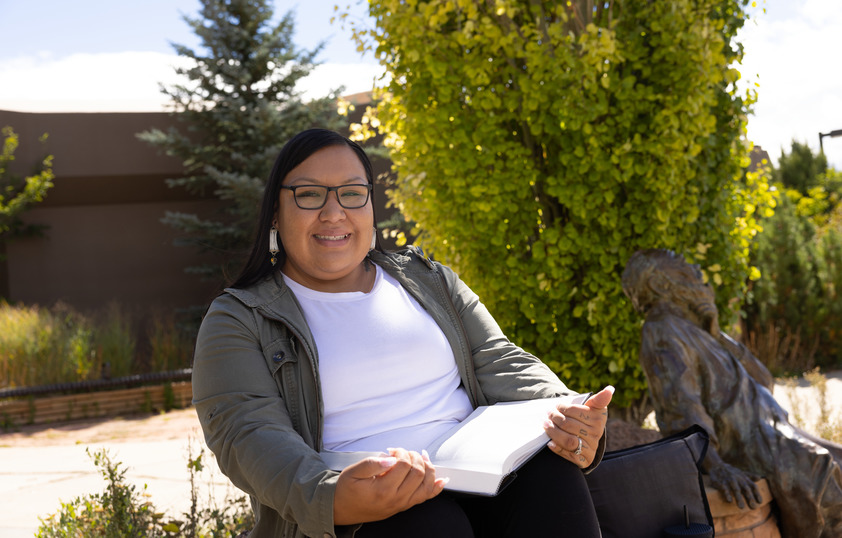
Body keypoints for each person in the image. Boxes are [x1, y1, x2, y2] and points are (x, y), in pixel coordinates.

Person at [192, 128, 613, 538]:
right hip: (362, 512)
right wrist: (333, 496)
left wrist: (568, 414)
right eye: (309, 194)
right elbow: (248, 435)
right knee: (429, 524)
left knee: (550, 474)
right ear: (275, 213)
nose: (334, 212)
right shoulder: (238, 319)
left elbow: (500, 358)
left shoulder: (429, 280)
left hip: (481, 475)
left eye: (352, 193)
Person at [621, 248, 842, 537]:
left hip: (778, 434)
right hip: (755, 447)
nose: (697, 272)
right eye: (684, 267)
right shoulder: (663, 331)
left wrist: (717, 336)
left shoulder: (696, 331)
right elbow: (680, 406)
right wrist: (714, 464)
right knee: (829, 481)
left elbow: (764, 380)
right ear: (661, 285)